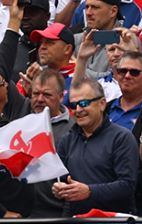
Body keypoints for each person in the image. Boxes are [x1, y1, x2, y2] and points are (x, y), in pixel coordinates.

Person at [55, 78, 139, 215]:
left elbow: (127, 185)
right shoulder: (67, 140)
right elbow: (63, 182)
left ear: (102, 104)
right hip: (77, 218)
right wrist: (59, 189)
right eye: (73, 105)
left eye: (84, 103)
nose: (78, 110)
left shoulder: (122, 138)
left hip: (114, 220)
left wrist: (89, 191)